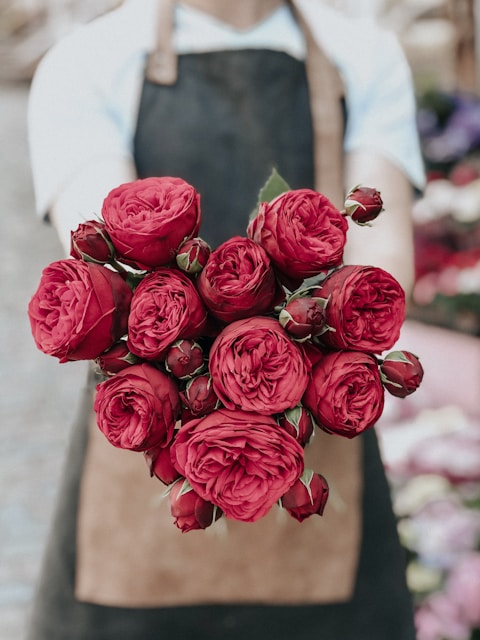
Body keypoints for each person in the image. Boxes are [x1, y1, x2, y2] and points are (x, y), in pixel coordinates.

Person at [26, 1, 425, 638]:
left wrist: (267, 364)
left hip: (313, 436)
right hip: (148, 441)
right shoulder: (89, 63)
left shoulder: (362, 56)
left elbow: (383, 272)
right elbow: (110, 277)